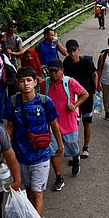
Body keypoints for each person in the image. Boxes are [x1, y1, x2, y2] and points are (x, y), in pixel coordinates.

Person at [2, 67, 63, 218]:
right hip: (20, 155)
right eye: (22, 81)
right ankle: (37, 215)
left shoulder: (45, 101)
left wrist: (60, 145)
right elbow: (10, 128)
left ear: (36, 82)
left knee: (37, 192)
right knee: (28, 191)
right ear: (17, 84)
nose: (26, 84)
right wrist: (5, 154)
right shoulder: (12, 102)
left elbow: (54, 124)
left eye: (29, 80)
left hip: (41, 155)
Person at [41, 59, 88, 190]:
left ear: (62, 71)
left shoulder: (70, 82)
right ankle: (59, 177)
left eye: (56, 71)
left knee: (72, 146)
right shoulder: (45, 84)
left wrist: (75, 105)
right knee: (54, 151)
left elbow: (85, 94)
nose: (53, 74)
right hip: (52, 124)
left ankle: (76, 159)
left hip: (69, 122)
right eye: (51, 71)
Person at [62, 39, 98, 158]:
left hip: (86, 96)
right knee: (74, 125)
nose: (72, 54)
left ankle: (86, 147)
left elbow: (95, 74)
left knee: (87, 122)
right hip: (73, 98)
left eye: (74, 51)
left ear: (78, 50)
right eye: (70, 51)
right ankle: (75, 151)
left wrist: (94, 90)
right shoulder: (66, 63)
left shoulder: (87, 62)